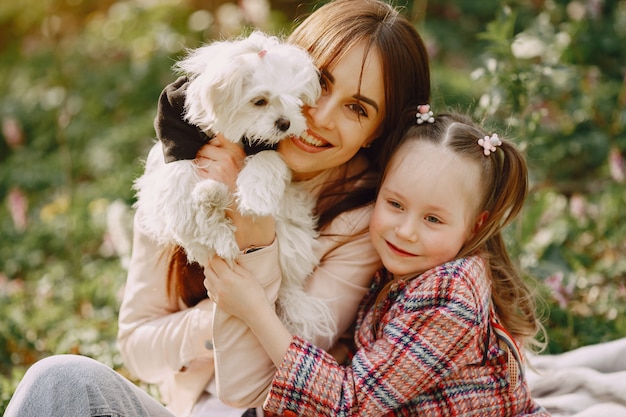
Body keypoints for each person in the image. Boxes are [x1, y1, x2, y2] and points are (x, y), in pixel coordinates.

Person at [4, 1, 430, 416]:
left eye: (357, 108)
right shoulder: (186, 165)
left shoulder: (364, 220)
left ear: (377, 133)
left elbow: (253, 389)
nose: (319, 115)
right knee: (59, 380)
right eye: (319, 82)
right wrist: (223, 311)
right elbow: (137, 347)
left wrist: (256, 234)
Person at [203, 111, 550, 416]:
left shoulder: (450, 293)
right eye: (395, 204)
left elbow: (350, 402)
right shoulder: (404, 267)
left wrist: (255, 310)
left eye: (433, 219)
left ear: (475, 225)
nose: (406, 231)